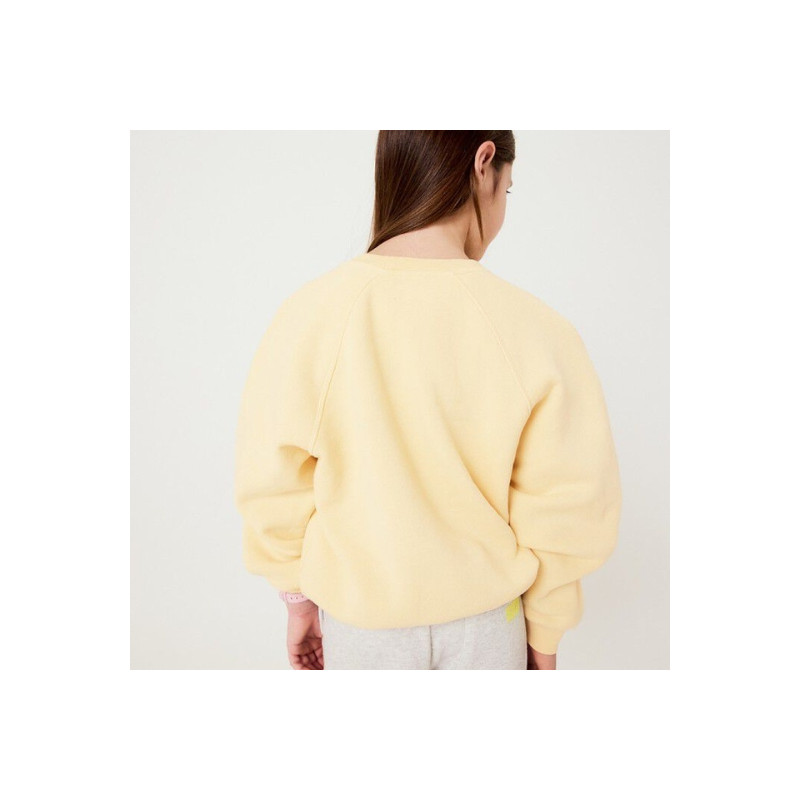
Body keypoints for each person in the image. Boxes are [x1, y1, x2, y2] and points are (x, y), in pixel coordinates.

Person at [234, 130, 622, 670]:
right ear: (484, 162)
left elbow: (272, 483)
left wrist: (298, 598)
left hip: (361, 624)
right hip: (490, 625)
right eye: (508, 188)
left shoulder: (310, 315)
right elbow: (566, 502)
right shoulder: (537, 329)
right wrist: (545, 635)